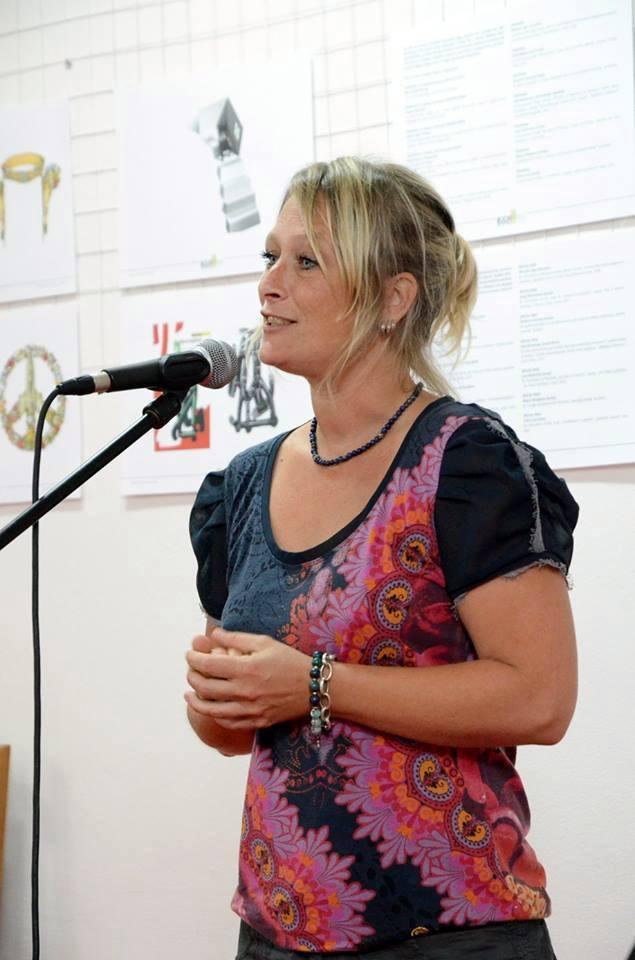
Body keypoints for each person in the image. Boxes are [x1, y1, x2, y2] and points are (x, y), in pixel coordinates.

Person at [186, 157, 578, 959]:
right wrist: (219, 699)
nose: (268, 286)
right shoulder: (242, 485)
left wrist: (313, 683)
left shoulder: (465, 462)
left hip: (449, 934)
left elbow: (539, 699)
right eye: (269, 256)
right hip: (276, 932)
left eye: (306, 262)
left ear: (393, 299)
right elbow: (228, 732)